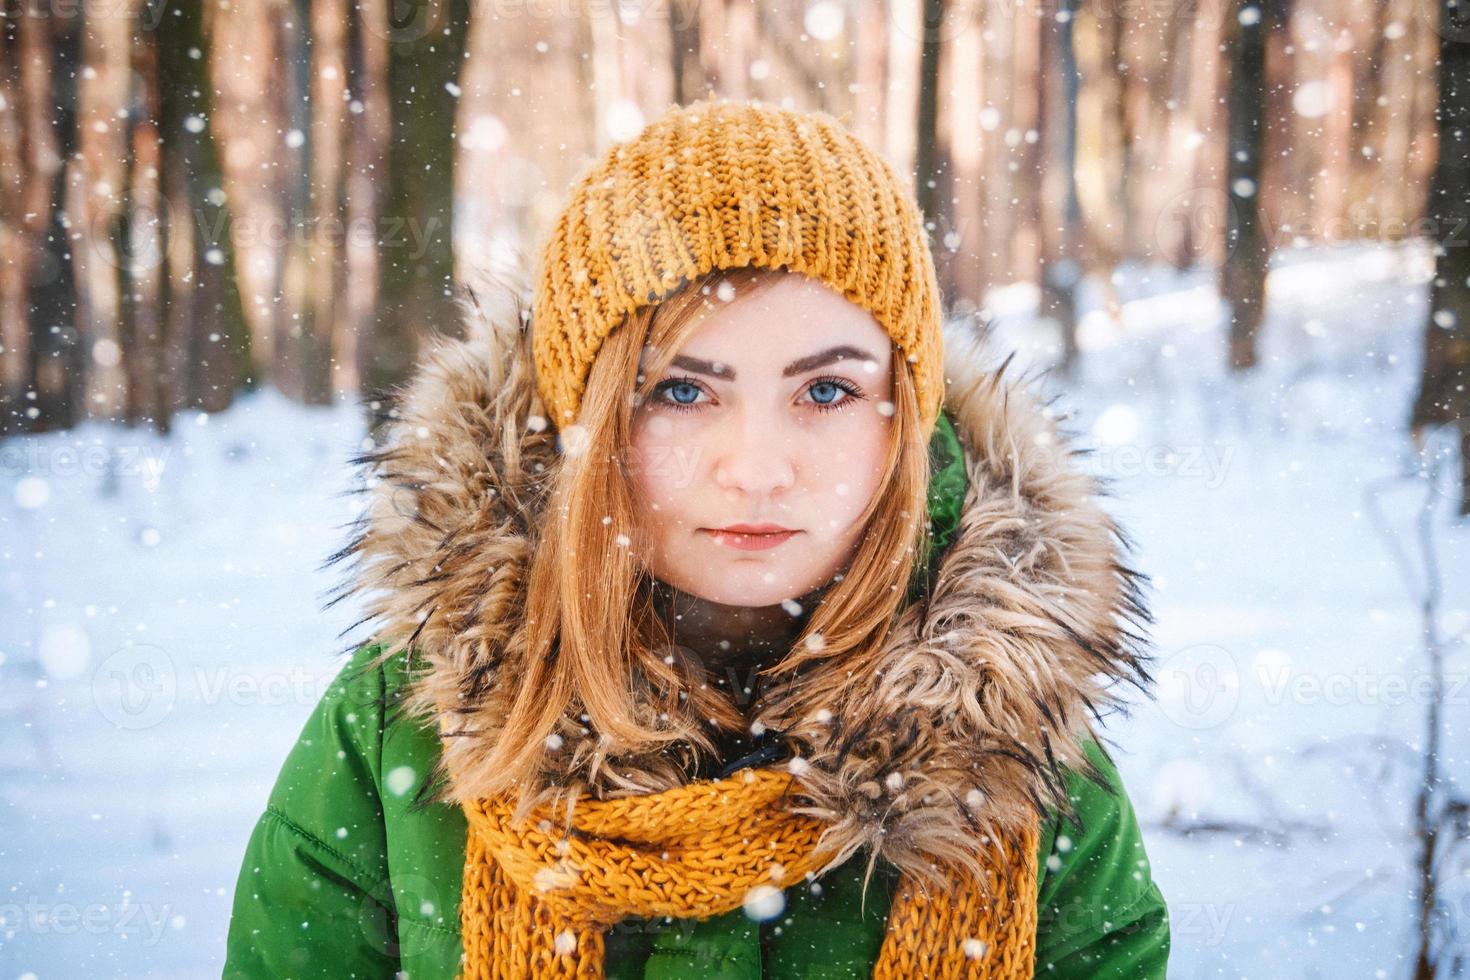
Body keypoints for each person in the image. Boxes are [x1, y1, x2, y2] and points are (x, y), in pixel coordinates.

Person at [224, 97, 1169, 978]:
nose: (757, 468)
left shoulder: (1024, 763)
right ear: (584, 422)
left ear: (904, 422)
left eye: (827, 391)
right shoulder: (407, 724)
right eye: (681, 391)